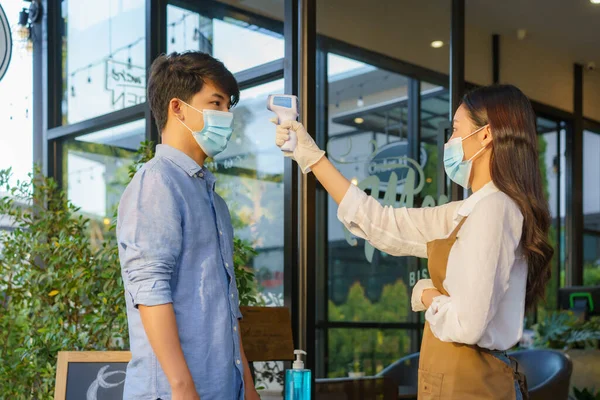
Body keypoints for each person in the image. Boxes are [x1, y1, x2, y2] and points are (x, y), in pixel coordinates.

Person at [273, 84, 553, 399]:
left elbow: (468, 325)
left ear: (486, 135)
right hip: (458, 376)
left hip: (471, 383)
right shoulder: (471, 210)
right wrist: (311, 157)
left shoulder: (494, 208)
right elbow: (381, 222)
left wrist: (427, 294)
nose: (449, 142)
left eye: (455, 130)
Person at [117, 51, 260, 400]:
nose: (227, 116)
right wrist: (183, 389)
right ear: (178, 108)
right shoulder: (157, 183)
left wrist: (249, 387)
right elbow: (150, 292)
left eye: (229, 107)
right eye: (216, 103)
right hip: (174, 392)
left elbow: (226, 306)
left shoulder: (212, 198)